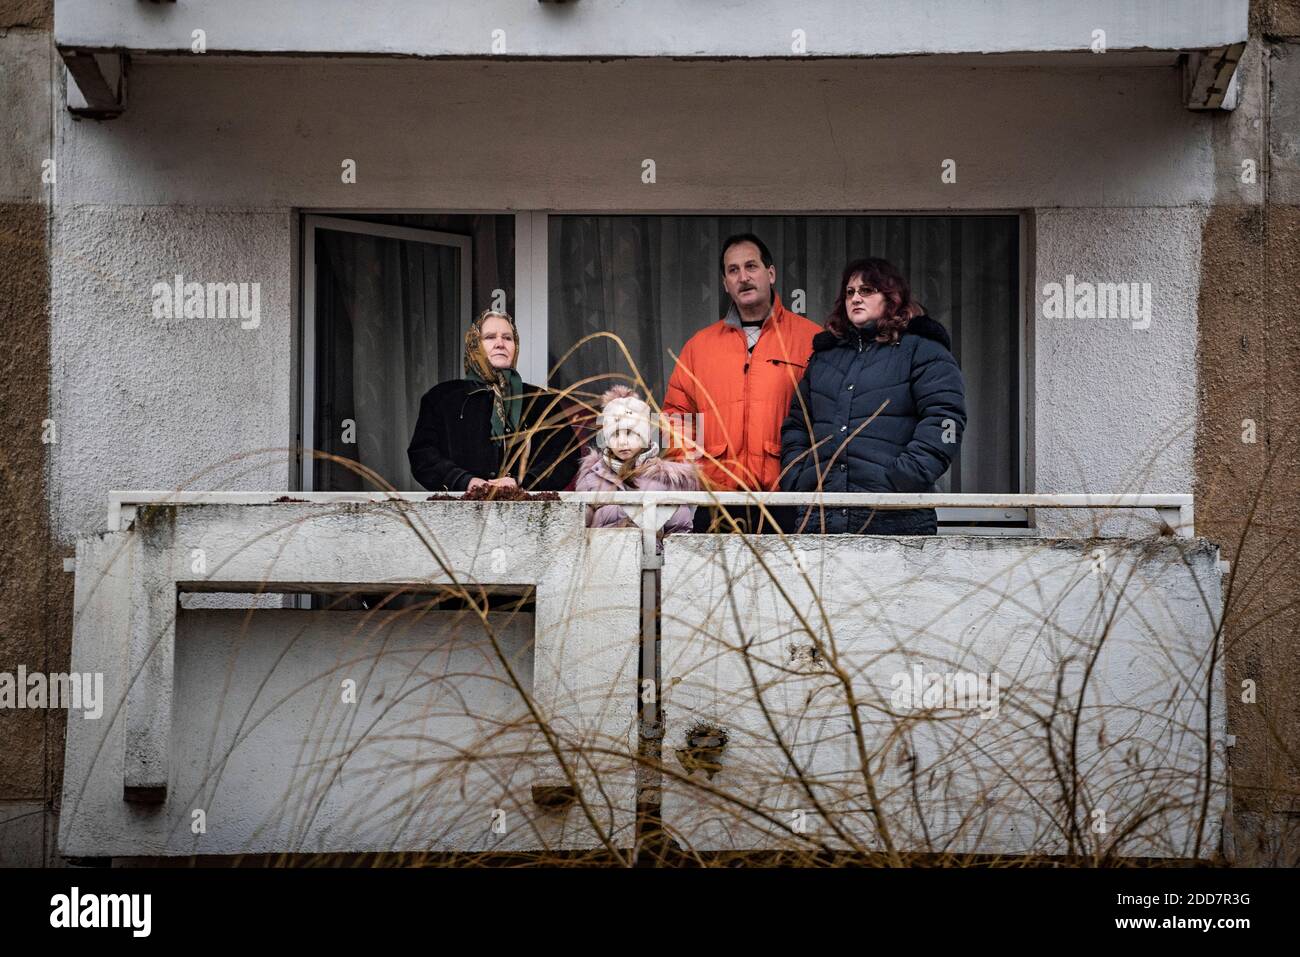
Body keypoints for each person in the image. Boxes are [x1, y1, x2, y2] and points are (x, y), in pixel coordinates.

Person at [780, 257, 966, 535]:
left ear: (892, 298)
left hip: (895, 516)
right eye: (850, 292)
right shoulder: (824, 359)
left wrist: (903, 477)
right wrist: (799, 478)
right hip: (821, 518)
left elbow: (945, 419)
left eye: (867, 290)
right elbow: (797, 423)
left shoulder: (922, 350)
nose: (856, 298)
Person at [661, 233, 820, 532]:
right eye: (733, 270)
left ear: (770, 273)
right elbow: (676, 417)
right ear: (724, 283)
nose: (743, 277)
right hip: (718, 502)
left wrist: (808, 476)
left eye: (751, 266)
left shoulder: (810, 339)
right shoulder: (700, 346)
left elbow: (828, 417)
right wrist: (695, 475)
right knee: (715, 581)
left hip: (788, 500)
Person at [407, 309, 579, 493]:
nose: (500, 344)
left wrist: (522, 482)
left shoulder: (539, 400)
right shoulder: (442, 398)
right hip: (460, 512)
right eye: (489, 337)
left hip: (526, 513)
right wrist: (465, 481)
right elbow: (422, 455)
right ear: (474, 345)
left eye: (507, 338)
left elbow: (566, 455)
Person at [574, 386, 699, 549]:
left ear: (645, 437)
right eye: (615, 435)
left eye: (631, 433)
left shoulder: (665, 478)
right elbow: (579, 527)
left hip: (651, 568)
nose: (622, 442)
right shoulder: (593, 477)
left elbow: (680, 527)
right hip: (604, 564)